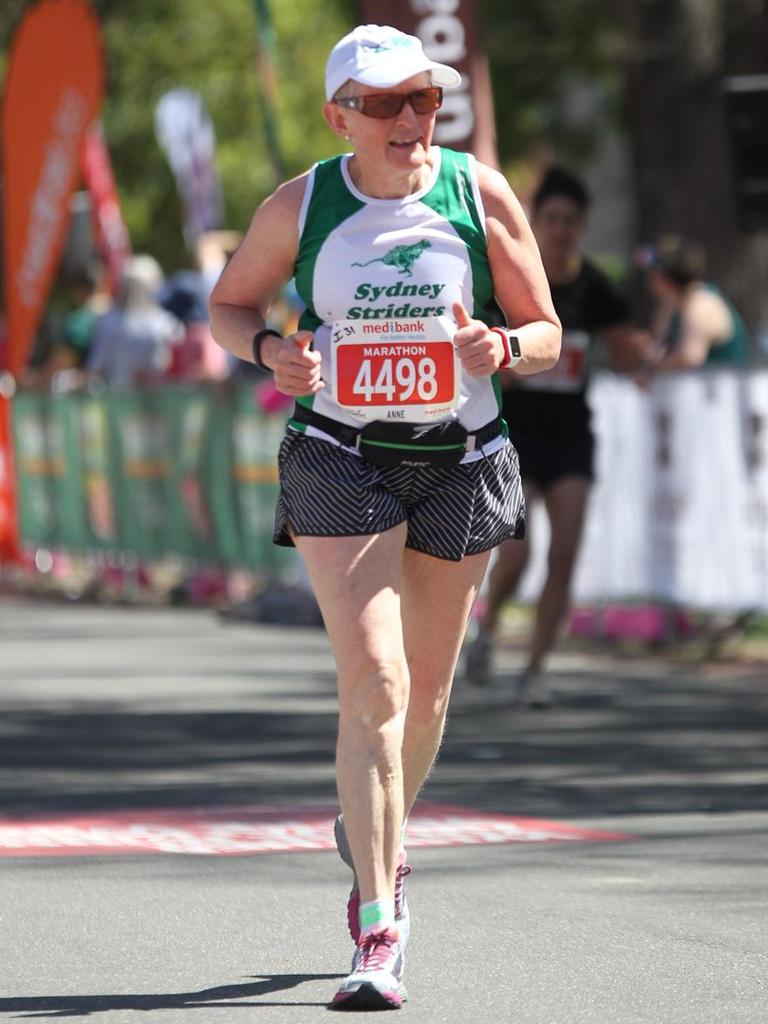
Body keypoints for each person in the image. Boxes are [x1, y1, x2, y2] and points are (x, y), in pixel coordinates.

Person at [209, 24, 560, 1011]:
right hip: (341, 456)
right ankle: (380, 915)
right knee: (377, 680)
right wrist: (271, 349)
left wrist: (503, 344)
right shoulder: (305, 205)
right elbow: (227, 306)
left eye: (425, 101)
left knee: (427, 696)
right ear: (341, 118)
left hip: (459, 461)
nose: (412, 120)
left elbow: (547, 330)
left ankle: (374, 824)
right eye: (388, 104)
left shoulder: (477, 192)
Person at [464, 166, 644, 706]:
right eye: (552, 219)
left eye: (571, 221)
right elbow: (482, 349)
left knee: (565, 552)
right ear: (536, 221)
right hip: (515, 435)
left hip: (570, 436)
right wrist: (507, 364)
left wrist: (638, 354)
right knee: (516, 557)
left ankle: (536, 668)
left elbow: (626, 341)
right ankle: (490, 627)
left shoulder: (594, 285)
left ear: (583, 225)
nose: (562, 229)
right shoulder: (517, 279)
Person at [637, 235, 750, 370]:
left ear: (667, 278)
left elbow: (689, 360)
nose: (650, 280)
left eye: (654, 273)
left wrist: (651, 369)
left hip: (719, 387)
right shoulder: (671, 303)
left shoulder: (701, 305)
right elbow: (657, 346)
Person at [86, 255, 183, 389]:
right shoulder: (166, 325)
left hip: (154, 401)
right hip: (119, 400)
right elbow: (95, 369)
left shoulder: (166, 325)